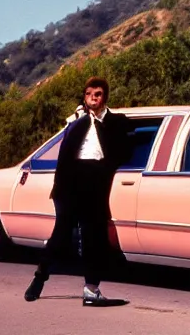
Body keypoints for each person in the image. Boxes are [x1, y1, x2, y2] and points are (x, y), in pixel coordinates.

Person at [24, 76, 132, 306]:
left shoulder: (116, 121)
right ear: (84, 96)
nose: (93, 97)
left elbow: (123, 149)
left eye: (99, 93)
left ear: (105, 97)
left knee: (95, 238)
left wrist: (100, 123)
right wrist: (79, 119)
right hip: (71, 184)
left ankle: (91, 290)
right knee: (60, 237)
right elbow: (64, 156)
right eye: (89, 93)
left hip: (97, 181)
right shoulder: (76, 122)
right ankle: (39, 278)